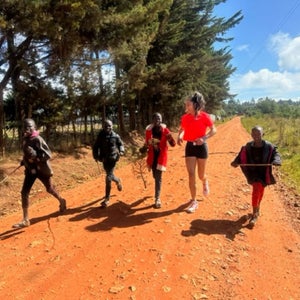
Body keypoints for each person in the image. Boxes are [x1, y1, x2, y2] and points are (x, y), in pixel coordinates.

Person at [13, 118, 67, 229]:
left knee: (49, 189)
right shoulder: (25, 139)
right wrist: (25, 161)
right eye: (25, 127)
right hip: (30, 171)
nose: (26, 129)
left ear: (33, 128)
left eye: (29, 127)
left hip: (41, 169)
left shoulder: (38, 139)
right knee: (24, 192)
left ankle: (61, 200)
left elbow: (48, 155)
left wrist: (36, 157)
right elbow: (26, 153)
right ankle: (25, 220)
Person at [231, 125, 281, 228]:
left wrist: (276, 161)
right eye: (254, 134)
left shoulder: (269, 147)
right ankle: (254, 215)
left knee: (260, 192)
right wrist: (235, 162)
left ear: (263, 134)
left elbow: (276, 154)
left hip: (264, 172)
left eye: (258, 134)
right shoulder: (247, 146)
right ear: (251, 134)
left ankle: (257, 209)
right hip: (253, 173)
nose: (256, 136)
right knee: (256, 191)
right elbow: (240, 156)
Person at [177, 92, 216, 213]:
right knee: (191, 174)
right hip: (190, 146)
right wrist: (180, 136)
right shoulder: (185, 118)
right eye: (186, 104)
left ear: (196, 104)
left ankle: (205, 181)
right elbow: (182, 129)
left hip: (202, 146)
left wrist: (203, 138)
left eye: (188, 104)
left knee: (200, 175)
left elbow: (214, 130)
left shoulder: (204, 116)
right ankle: (194, 201)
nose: (186, 106)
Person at [140, 112, 176, 208]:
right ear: (152, 120)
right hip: (152, 157)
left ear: (161, 120)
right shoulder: (149, 131)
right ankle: (157, 191)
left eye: (159, 119)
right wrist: (143, 149)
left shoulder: (165, 130)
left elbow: (173, 144)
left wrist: (170, 138)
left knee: (158, 178)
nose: (157, 120)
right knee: (155, 176)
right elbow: (147, 144)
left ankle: (157, 199)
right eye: (155, 118)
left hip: (161, 157)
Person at [92, 119, 125, 208]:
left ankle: (107, 199)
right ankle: (118, 180)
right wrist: (96, 156)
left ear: (112, 126)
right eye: (106, 126)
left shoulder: (115, 136)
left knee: (108, 177)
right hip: (104, 159)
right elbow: (95, 147)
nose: (108, 127)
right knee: (109, 175)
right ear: (103, 127)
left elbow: (121, 144)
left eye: (109, 126)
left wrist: (121, 151)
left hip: (113, 158)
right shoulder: (100, 136)